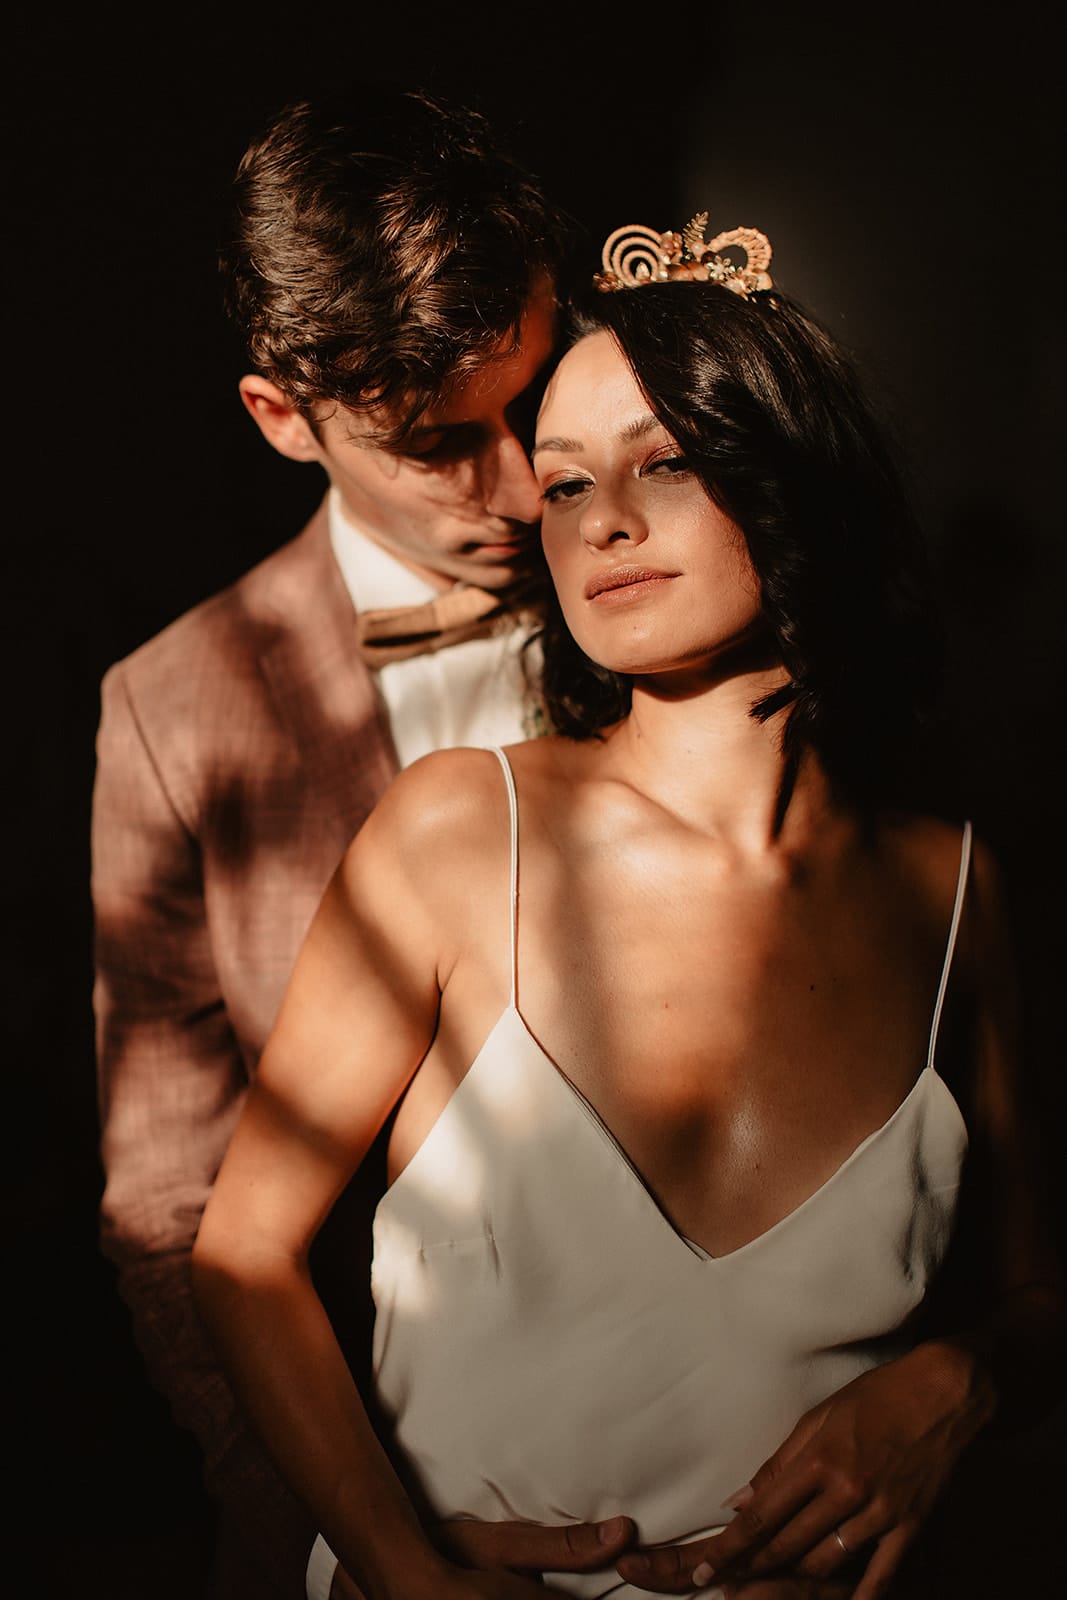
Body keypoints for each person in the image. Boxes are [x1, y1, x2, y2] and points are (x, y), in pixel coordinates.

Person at [190, 215, 1067, 1600]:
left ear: (795, 480)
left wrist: (958, 1382)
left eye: (665, 460)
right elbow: (242, 1252)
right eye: (563, 482)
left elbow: (1036, 1300)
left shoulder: (949, 888)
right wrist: (401, 1571)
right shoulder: (461, 832)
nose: (602, 517)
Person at [91, 85, 642, 1600]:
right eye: (437, 444)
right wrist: (346, 1538)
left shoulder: (704, 590)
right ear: (284, 417)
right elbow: (170, 1213)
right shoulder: (172, 709)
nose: (524, 488)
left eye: (533, 403)